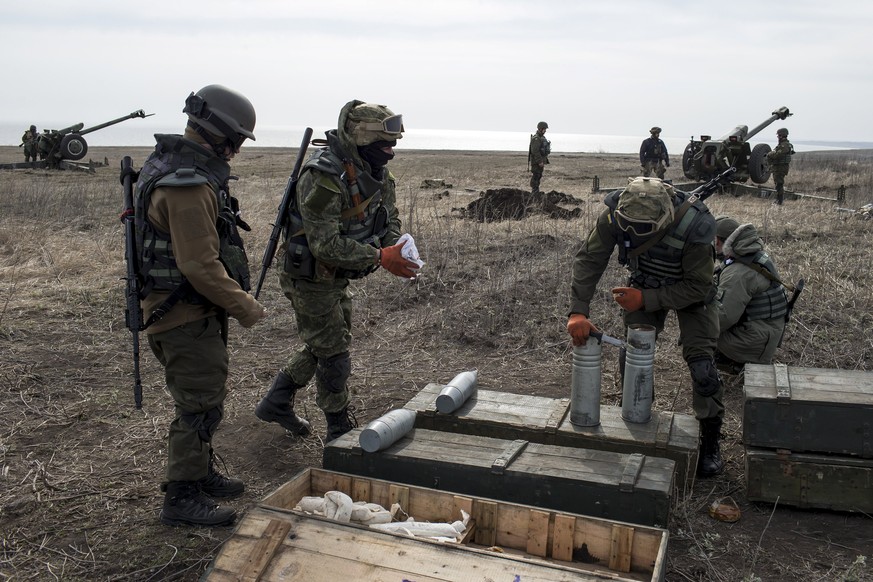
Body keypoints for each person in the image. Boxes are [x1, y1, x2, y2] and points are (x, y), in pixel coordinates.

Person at [132, 84, 266, 527]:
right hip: (183, 314)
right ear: (222, 136)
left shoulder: (174, 165)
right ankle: (182, 496)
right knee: (198, 406)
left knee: (205, 396)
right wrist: (246, 307)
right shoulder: (188, 185)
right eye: (239, 142)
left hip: (185, 310)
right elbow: (199, 266)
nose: (238, 152)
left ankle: (199, 472)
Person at [256, 100, 420, 442]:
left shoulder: (377, 174)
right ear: (360, 139)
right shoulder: (324, 177)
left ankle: (277, 400)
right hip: (310, 277)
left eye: (393, 145)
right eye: (384, 144)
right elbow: (325, 245)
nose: (391, 151)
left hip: (337, 276)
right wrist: (379, 256)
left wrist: (398, 246)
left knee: (326, 343)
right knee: (334, 353)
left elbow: (389, 219)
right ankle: (338, 427)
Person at [566, 176, 725, 477]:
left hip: (691, 296)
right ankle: (640, 420)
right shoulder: (614, 215)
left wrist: (647, 298)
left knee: (703, 368)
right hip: (645, 284)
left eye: (644, 230)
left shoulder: (697, 225)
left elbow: (697, 286)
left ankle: (710, 440)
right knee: (633, 355)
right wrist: (577, 311)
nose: (634, 234)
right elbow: (589, 260)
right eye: (630, 228)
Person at [713, 216, 787, 373]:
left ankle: (733, 364)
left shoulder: (738, 272)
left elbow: (722, 318)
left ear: (718, 241)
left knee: (696, 332)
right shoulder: (753, 256)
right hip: (765, 335)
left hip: (754, 342)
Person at [766, 128, 794, 205]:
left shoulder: (784, 145)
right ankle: (779, 200)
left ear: (782, 135)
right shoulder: (783, 145)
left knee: (779, 184)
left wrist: (770, 154)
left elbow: (778, 155)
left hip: (780, 168)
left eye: (778, 135)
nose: (778, 137)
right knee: (778, 183)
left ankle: (779, 201)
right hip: (778, 167)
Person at [528, 121, 550, 194]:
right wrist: (540, 161)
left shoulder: (542, 137)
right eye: (544, 129)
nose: (545, 131)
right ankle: (534, 192)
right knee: (536, 176)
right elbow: (535, 151)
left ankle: (536, 192)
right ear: (541, 129)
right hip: (536, 163)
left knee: (538, 176)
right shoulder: (536, 138)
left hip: (540, 162)